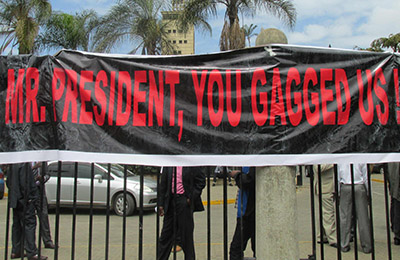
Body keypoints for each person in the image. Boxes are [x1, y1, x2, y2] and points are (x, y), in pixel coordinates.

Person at [157, 167, 205, 260]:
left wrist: (191, 197)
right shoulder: (169, 164)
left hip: (183, 201)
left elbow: (201, 181)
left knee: (186, 237)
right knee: (165, 236)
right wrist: (161, 203)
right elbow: (163, 184)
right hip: (170, 202)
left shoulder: (190, 163)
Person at [7, 163, 48, 260]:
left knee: (17, 226)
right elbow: (26, 184)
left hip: (15, 200)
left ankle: (16, 251)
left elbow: (9, 182)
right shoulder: (24, 165)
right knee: (29, 225)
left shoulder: (13, 165)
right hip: (25, 201)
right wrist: (31, 198)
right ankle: (32, 253)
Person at [338, 163, 372, 254]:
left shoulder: (341, 158)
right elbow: (366, 176)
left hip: (345, 186)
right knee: (363, 217)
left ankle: (344, 244)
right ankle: (366, 245)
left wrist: (338, 191)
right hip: (359, 185)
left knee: (345, 217)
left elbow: (337, 176)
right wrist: (368, 191)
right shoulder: (361, 157)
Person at [228, 167, 256, 260]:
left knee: (236, 248)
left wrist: (237, 175)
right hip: (247, 211)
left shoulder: (254, 161)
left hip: (248, 213)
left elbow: (249, 181)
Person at [313, 164, 337, 248]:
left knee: (322, 213)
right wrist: (333, 162)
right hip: (324, 187)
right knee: (328, 213)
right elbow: (318, 168)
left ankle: (321, 236)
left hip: (325, 187)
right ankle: (333, 238)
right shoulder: (320, 155)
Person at [32, 162, 55, 249]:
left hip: (39, 190)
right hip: (28, 190)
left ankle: (47, 241)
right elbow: (22, 174)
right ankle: (30, 244)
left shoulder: (43, 161)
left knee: (44, 216)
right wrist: (34, 167)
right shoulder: (26, 160)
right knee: (29, 219)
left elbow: (48, 174)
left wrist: (43, 178)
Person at [387, 163, 400, 245]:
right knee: (397, 208)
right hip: (396, 185)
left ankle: (396, 230)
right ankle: (397, 233)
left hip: (394, 184)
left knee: (395, 205)